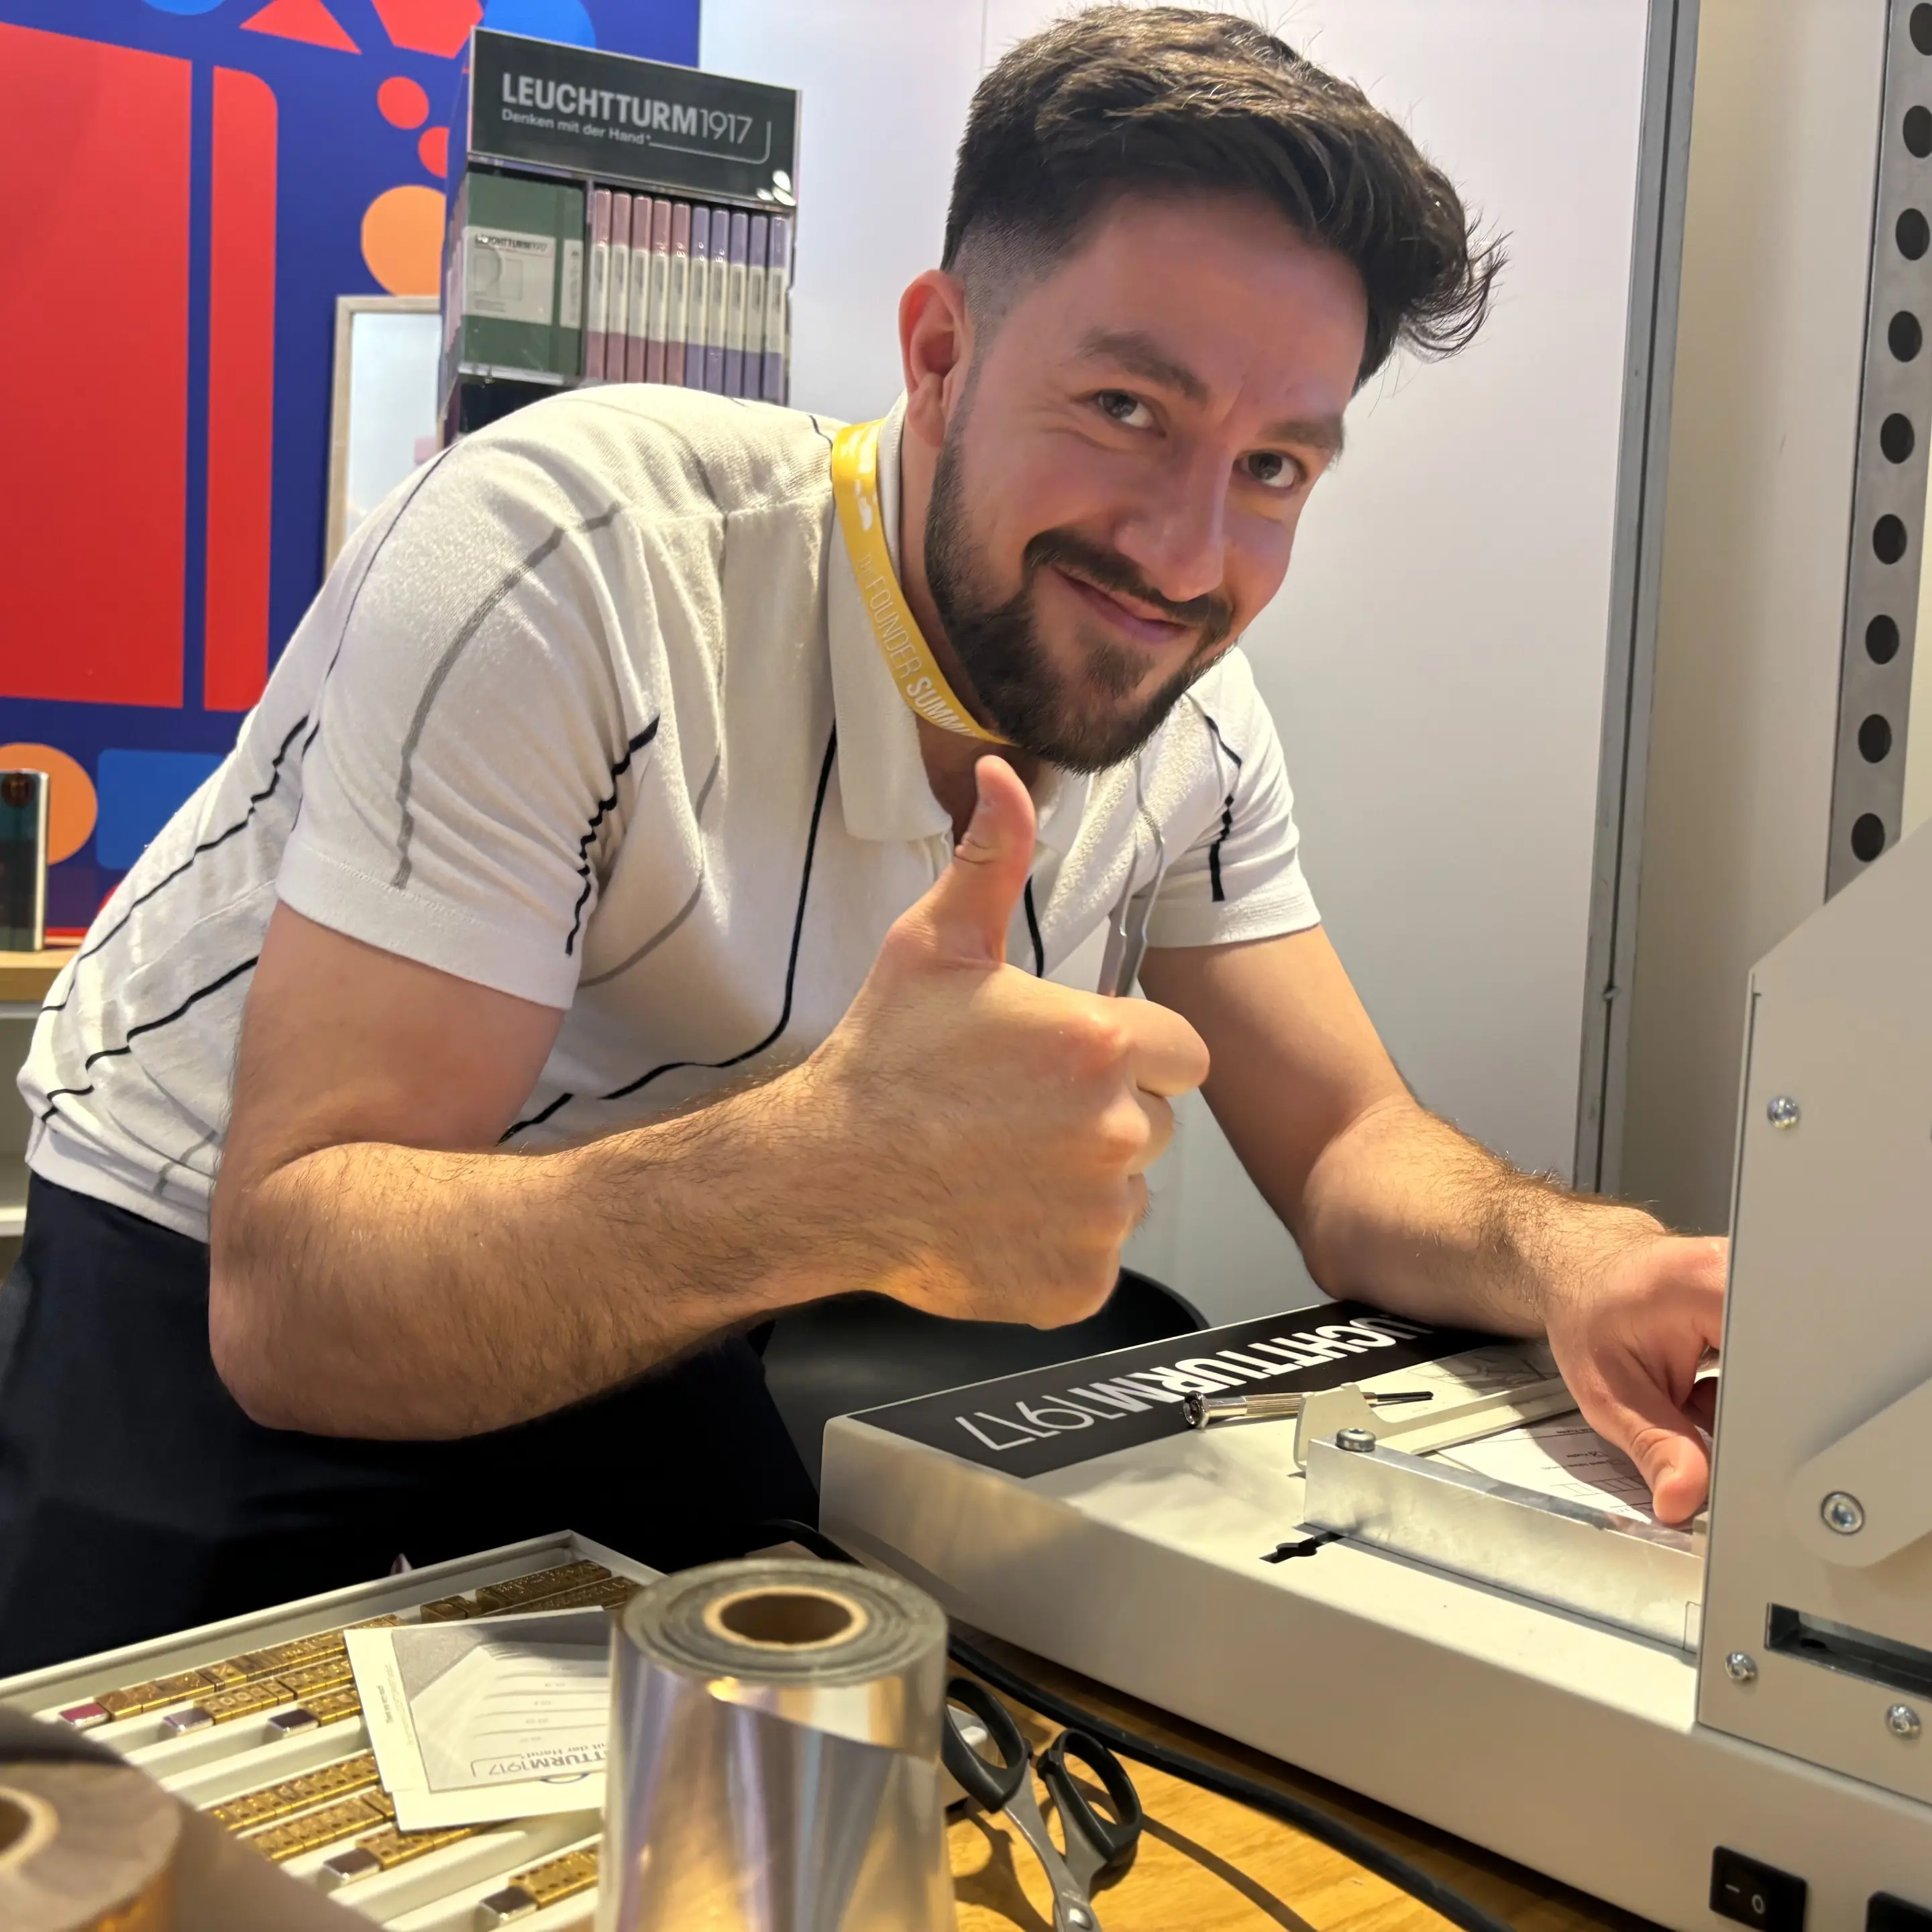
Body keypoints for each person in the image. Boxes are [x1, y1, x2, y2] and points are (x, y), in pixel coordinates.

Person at [0, 6, 1723, 1674]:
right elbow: (303, 1298)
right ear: (940, 352)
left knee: (806, 1774)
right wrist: (837, 1177)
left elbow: (1349, 1144)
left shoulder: (1190, 719)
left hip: (653, 1266)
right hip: (209, 1253)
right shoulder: (576, 551)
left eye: (1274, 465)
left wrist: (1578, 1258)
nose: (1189, 556)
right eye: (1128, 407)